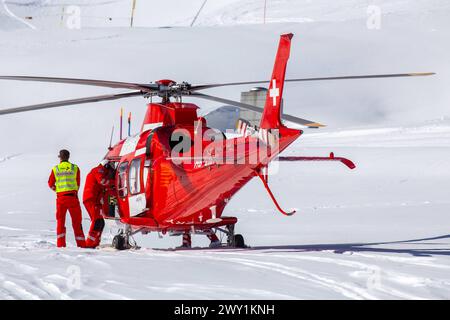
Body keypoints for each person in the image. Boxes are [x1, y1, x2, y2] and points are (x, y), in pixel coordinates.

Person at [48, 149, 86, 248]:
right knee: (77, 222)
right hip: (72, 197)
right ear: (68, 157)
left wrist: (57, 190)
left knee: (60, 222)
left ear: (60, 158)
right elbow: (77, 184)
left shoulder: (56, 169)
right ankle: (81, 245)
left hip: (61, 199)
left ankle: (61, 245)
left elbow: (50, 183)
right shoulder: (75, 168)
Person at [83, 161, 115, 248]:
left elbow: (110, 193)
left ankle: (95, 243)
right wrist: (114, 182)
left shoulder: (103, 173)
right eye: (111, 170)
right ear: (107, 166)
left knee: (101, 222)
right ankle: (89, 243)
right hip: (91, 199)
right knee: (97, 220)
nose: (111, 173)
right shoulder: (99, 170)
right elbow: (102, 181)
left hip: (97, 201)